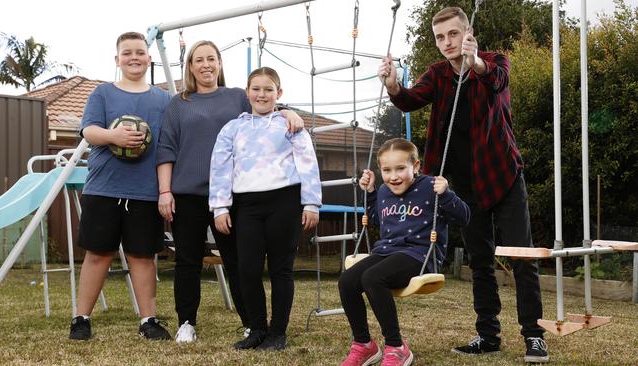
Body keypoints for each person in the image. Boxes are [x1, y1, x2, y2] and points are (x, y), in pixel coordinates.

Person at [378, 6, 549, 363]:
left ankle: (534, 335)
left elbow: (496, 79)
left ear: (467, 32)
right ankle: (488, 336)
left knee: (522, 257)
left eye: (452, 34)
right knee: (480, 261)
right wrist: (393, 84)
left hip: (501, 176)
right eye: (440, 37)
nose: (446, 43)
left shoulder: (493, 61)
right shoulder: (438, 74)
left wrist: (476, 64)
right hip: (464, 185)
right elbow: (410, 100)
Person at [156, 42, 304, 343]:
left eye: (211, 58)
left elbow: (265, 112)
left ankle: (252, 324)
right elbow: (166, 149)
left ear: (220, 63)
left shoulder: (237, 96)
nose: (206, 64)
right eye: (199, 60)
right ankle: (186, 322)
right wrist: (165, 191)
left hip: (229, 196)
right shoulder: (178, 103)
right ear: (190, 66)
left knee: (238, 260)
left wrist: (289, 112)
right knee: (187, 261)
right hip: (188, 195)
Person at [209, 66, 321, 351]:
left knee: (281, 268)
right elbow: (220, 168)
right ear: (247, 93)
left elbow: (307, 162)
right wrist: (220, 207)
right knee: (247, 268)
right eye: (256, 89)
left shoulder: (290, 124)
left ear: (278, 93)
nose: (262, 94)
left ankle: (277, 333)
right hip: (246, 205)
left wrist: (311, 202)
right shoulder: (232, 129)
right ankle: (257, 328)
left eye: (268, 89)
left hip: (284, 201)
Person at [68, 31, 171, 341]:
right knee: (98, 254)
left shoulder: (163, 99)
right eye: (127, 53)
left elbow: (167, 147)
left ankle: (148, 320)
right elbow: (89, 131)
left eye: (140, 52)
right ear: (117, 60)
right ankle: (81, 319)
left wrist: (165, 189)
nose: (134, 57)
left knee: (142, 256)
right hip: (104, 188)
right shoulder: (102, 93)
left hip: (145, 191)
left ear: (148, 58)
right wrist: (114, 137)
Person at [338, 138, 469, 366]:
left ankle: (397, 347)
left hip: (419, 255)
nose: (393, 176)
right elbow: (378, 219)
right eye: (387, 170)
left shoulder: (431, 187)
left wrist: (447, 194)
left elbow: (464, 217)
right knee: (347, 281)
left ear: (415, 166)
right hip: (387, 251)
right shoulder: (383, 191)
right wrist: (369, 192)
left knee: (372, 277)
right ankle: (364, 345)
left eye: (400, 168)